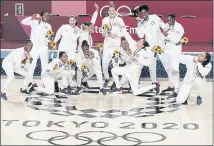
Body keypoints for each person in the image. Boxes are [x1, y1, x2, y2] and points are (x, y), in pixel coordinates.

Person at [111, 26, 161, 96]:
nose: (138, 41)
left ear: (142, 45)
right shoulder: (135, 48)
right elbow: (128, 36)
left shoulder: (143, 53)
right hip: (128, 69)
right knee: (113, 70)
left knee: (136, 92)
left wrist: (138, 60)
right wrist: (122, 28)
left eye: (140, 41)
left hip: (135, 73)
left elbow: (148, 63)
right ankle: (118, 88)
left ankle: (155, 86)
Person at [136, 5, 167, 84]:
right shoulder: (141, 23)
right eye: (141, 13)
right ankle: (154, 83)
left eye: (145, 12)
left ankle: (172, 85)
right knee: (152, 66)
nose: (143, 14)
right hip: (150, 47)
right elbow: (140, 35)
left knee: (166, 64)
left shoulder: (155, 17)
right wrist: (137, 25)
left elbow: (163, 26)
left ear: (147, 12)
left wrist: (164, 37)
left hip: (160, 45)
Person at [21, 11, 52, 82]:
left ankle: (45, 83)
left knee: (44, 66)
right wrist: (31, 17)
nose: (47, 17)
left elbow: (49, 37)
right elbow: (23, 22)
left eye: (48, 16)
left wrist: (49, 41)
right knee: (31, 64)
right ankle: (28, 83)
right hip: (34, 47)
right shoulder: (34, 22)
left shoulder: (49, 26)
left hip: (44, 47)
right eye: (45, 15)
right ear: (41, 16)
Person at [160, 14, 184, 97]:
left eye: (170, 20)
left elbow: (176, 40)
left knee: (174, 69)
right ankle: (171, 86)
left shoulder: (179, 27)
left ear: (174, 19)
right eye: (168, 20)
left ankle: (176, 89)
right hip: (167, 49)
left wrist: (168, 35)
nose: (169, 22)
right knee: (168, 69)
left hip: (175, 50)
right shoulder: (167, 25)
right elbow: (162, 36)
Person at [101, 3, 125, 88]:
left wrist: (117, 34)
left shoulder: (119, 19)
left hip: (116, 45)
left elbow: (124, 31)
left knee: (115, 63)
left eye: (113, 11)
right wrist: (104, 33)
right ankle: (107, 79)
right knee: (104, 63)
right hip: (107, 44)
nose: (111, 12)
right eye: (110, 11)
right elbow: (103, 31)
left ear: (115, 11)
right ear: (108, 11)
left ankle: (115, 81)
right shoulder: (104, 20)